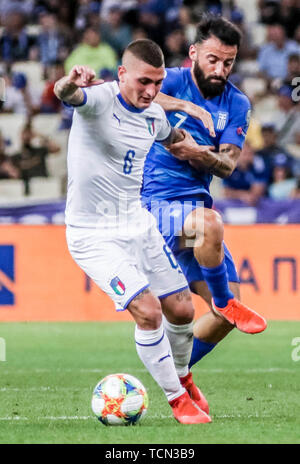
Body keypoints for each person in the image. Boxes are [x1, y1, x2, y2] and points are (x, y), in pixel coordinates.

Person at [54, 39, 212, 424]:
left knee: (182, 308)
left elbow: (171, 138)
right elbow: (66, 94)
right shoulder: (98, 101)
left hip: (138, 225)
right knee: (148, 310)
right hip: (93, 234)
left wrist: (197, 149)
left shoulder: (153, 115)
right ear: (122, 73)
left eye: (157, 83)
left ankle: (183, 376)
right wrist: (71, 82)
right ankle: (177, 400)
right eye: (143, 81)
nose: (150, 91)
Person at [141, 15, 267, 376]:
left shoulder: (237, 103)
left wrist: (198, 153)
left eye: (228, 62)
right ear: (194, 53)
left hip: (195, 213)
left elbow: (227, 165)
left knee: (226, 318)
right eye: (212, 59)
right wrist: (187, 107)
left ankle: (175, 376)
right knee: (211, 224)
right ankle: (225, 302)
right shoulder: (174, 82)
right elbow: (130, 93)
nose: (220, 68)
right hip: (156, 207)